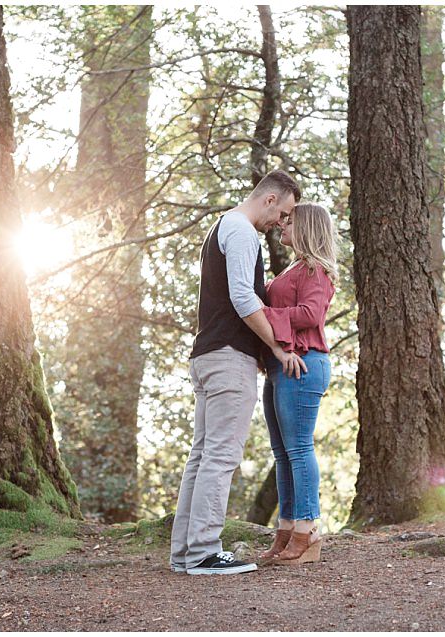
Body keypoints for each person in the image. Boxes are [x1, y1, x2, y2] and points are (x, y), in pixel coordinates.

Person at [170, 170, 306, 575]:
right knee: (221, 456)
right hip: (228, 358)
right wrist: (277, 347)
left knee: (202, 455)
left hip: (208, 355)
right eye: (282, 213)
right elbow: (244, 297)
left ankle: (185, 553)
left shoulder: (221, 227)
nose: (281, 222)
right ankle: (204, 552)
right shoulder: (243, 231)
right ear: (269, 199)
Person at [257, 203, 337, 566]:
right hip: (281, 365)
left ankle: (307, 530)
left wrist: (264, 314)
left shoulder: (314, 270)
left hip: (304, 364)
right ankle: (286, 528)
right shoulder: (293, 268)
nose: (282, 224)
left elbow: (310, 314)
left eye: (289, 221)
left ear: (307, 227)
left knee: (299, 449)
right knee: (282, 452)